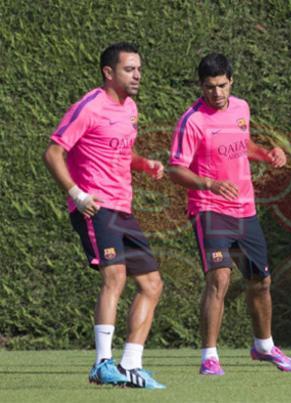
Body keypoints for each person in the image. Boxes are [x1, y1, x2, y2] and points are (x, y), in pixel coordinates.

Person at [43, 43, 166, 389]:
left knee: (153, 285)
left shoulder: (130, 109)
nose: (137, 75)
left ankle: (131, 365)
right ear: (108, 73)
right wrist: (77, 195)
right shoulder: (89, 106)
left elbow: (124, 152)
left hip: (123, 208)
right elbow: (53, 153)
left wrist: (144, 163)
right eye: (130, 69)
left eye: (139, 69)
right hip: (95, 207)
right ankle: (101, 364)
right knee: (115, 278)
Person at [168, 53, 291, 375]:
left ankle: (263, 346)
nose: (217, 93)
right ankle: (209, 357)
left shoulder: (241, 108)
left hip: (245, 209)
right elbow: (175, 169)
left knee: (261, 281)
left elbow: (243, 143)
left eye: (222, 85)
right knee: (220, 277)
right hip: (209, 208)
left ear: (231, 81)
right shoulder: (192, 121)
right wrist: (209, 184)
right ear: (201, 86)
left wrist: (267, 155)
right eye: (210, 87)